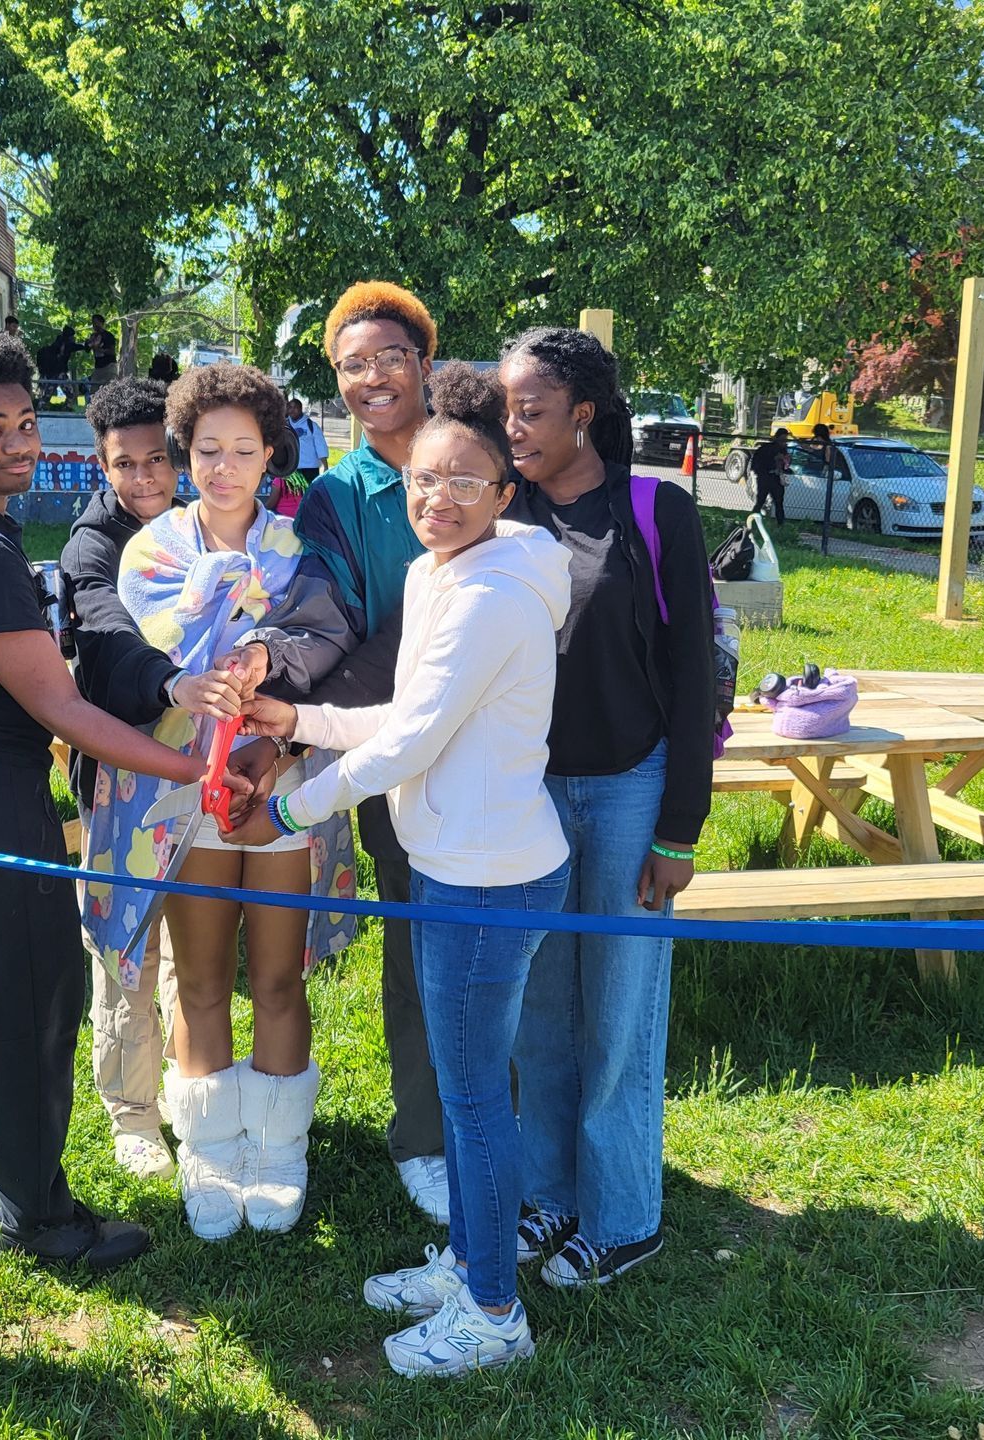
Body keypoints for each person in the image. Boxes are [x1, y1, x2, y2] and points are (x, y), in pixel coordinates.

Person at [0, 326, 246, 1269]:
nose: (17, 444)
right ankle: (37, 1219)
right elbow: (63, 708)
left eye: (26, 422)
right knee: (29, 1002)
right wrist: (192, 771)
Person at [230, 367, 570, 1377]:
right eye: (425, 479)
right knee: (467, 1095)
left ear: (505, 491)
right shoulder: (438, 574)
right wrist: (299, 718)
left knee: (474, 1101)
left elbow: (410, 744)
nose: (439, 499)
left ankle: (495, 1313)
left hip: (488, 877)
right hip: (451, 863)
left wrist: (289, 806)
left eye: (466, 482)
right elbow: (405, 715)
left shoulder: (494, 594)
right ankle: (469, 1262)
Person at [80, 362, 359, 1242]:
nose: (225, 467)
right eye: (208, 450)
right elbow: (134, 656)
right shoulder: (150, 552)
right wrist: (186, 683)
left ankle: (278, 1148)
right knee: (199, 979)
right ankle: (208, 1148)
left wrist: (267, 686)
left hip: (277, 787)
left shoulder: (300, 550)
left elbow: (326, 645)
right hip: (180, 791)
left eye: (244, 449)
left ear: (272, 452)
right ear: (185, 452)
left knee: (277, 977)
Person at [500, 326, 715, 1288]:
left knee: (619, 1012)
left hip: (633, 789)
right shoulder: (502, 515)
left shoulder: (656, 511)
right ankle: (550, 1195)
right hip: (531, 794)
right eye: (505, 410)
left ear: (583, 414)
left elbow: (693, 673)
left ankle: (624, 1216)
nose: (512, 428)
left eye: (531, 411)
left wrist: (680, 829)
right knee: (542, 1009)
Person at [63, 377, 257, 1181]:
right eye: (124, 464)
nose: (143, 478)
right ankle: (131, 1114)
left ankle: (190, 1086)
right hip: (128, 772)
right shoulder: (96, 547)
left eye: (156, 461)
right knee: (127, 948)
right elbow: (110, 636)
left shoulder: (208, 527)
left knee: (192, 945)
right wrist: (171, 682)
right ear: (102, 466)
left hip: (211, 773)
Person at [292, 280, 450, 1223]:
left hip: (512, 747)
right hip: (397, 751)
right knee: (418, 942)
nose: (374, 377)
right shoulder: (336, 498)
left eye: (391, 356)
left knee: (518, 937)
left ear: (425, 361)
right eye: (353, 365)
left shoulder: (478, 455)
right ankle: (425, 1135)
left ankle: (515, 1117)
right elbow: (333, 625)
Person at [36, 324, 86, 408]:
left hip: (55, 374)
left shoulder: (60, 343)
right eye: (72, 337)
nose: (73, 339)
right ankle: (65, 408)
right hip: (57, 374)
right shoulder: (65, 344)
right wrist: (87, 345)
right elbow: (77, 347)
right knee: (66, 394)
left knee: (48, 395)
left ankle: (65, 408)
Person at [750, 426, 791, 524]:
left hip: (776, 478)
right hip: (765, 477)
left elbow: (785, 464)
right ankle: (752, 521)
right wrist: (775, 459)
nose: (784, 442)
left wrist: (785, 462)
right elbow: (758, 463)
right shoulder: (767, 448)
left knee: (778, 503)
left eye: (785, 440)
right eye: (782, 439)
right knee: (761, 501)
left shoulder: (783, 449)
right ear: (777, 438)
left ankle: (780, 524)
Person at [287, 397, 329, 480]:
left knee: (310, 488)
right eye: (290, 407)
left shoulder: (311, 426)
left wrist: (325, 466)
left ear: (300, 409)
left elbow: (320, 446)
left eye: (295, 407)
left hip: (310, 468)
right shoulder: (285, 425)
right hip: (291, 468)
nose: (292, 410)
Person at [86, 313, 119, 391]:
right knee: (94, 391)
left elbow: (112, 352)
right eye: (93, 323)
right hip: (98, 367)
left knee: (110, 391)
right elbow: (87, 350)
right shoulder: (93, 336)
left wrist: (98, 349)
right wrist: (88, 343)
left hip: (109, 366)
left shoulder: (108, 336)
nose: (94, 325)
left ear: (101, 323)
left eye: (96, 322)